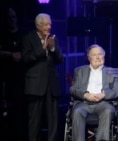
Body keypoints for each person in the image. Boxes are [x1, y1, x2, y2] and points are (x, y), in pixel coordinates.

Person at [21, 13, 64, 141]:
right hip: (35, 85)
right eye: (46, 24)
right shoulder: (28, 38)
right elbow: (25, 59)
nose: (49, 27)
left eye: (50, 24)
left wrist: (52, 49)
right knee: (34, 119)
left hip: (51, 84)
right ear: (38, 25)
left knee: (53, 119)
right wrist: (42, 49)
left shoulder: (53, 39)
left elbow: (60, 59)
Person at [70, 44, 118, 141]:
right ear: (89, 58)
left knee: (108, 110)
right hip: (84, 103)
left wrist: (104, 94)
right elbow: (73, 89)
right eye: (94, 55)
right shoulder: (79, 71)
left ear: (104, 56)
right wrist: (85, 95)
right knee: (77, 111)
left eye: (100, 54)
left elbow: (117, 91)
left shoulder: (112, 72)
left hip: (103, 103)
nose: (98, 57)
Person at [0, 8, 26, 141]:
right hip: (8, 76)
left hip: (22, 76)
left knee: (21, 109)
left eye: (13, 17)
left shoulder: (22, 33)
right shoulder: (3, 34)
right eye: (9, 17)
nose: (12, 19)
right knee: (10, 109)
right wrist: (11, 55)